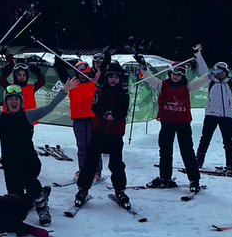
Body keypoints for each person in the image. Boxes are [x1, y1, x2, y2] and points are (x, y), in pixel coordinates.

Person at [0, 77, 78, 226]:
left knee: (30, 182)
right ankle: (40, 194)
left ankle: (42, 207)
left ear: (21, 102)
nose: (13, 101)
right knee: (16, 201)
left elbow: (49, 107)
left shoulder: (28, 115)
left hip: (29, 163)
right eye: (10, 99)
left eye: (16, 99)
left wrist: (64, 90)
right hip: (10, 166)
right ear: (6, 102)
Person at [134, 48, 210, 193]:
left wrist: (209, 76)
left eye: (180, 74)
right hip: (167, 123)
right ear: (170, 73)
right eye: (175, 73)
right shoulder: (162, 85)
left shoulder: (187, 87)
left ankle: (194, 180)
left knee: (187, 151)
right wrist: (143, 66)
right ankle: (165, 177)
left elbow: (200, 81)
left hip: (183, 124)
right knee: (165, 151)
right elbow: (150, 78)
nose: (177, 76)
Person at [74, 61, 132, 209]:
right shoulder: (99, 91)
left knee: (116, 164)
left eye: (116, 77)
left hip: (115, 135)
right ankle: (83, 189)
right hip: (99, 132)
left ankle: (120, 190)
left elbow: (121, 113)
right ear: (106, 77)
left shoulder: (124, 95)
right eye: (111, 76)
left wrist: (115, 106)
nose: (113, 79)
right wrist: (105, 98)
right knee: (91, 163)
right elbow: (95, 108)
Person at [194, 48, 232, 173]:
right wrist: (198, 55)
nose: (221, 75)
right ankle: (198, 162)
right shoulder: (210, 81)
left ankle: (230, 164)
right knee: (205, 139)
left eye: (223, 72)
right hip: (211, 115)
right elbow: (203, 69)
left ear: (227, 72)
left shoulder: (231, 83)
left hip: (226, 117)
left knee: (228, 142)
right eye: (218, 72)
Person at [53, 55, 100, 179]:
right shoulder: (73, 84)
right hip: (78, 120)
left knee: (93, 147)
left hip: (92, 119)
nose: (82, 76)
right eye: (80, 74)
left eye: (85, 73)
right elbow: (61, 71)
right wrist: (58, 58)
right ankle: (82, 170)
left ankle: (96, 171)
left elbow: (103, 70)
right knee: (82, 147)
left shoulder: (94, 83)